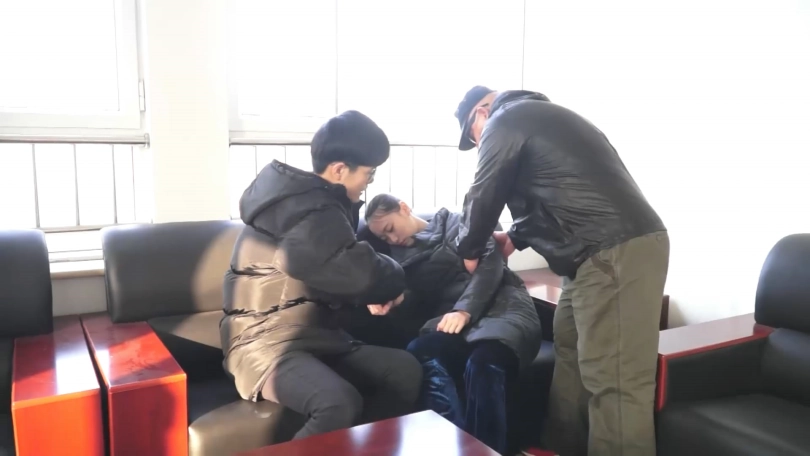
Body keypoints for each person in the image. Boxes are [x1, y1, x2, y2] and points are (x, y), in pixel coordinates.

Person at [453, 86, 670, 456]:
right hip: (590, 256)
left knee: (615, 382)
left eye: (474, 138)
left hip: (613, 251)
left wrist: (469, 249)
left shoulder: (505, 119)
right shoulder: (547, 118)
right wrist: (514, 238)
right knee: (570, 353)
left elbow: (484, 190)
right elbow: (561, 191)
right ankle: (561, 448)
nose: (478, 146)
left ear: (481, 114)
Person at [220, 111, 422, 440]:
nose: (368, 185)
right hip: (264, 345)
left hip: (315, 338)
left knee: (402, 369)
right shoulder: (304, 210)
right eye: (368, 175)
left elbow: (325, 276)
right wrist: (387, 284)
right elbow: (358, 273)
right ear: (339, 169)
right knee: (337, 403)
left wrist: (367, 296)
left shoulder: (316, 206)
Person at [364, 193, 542, 456]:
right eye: (384, 238)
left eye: (390, 228)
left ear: (403, 208)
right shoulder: (398, 261)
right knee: (421, 351)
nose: (392, 239)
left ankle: (487, 451)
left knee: (483, 364)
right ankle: (453, 446)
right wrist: (396, 301)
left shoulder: (460, 224)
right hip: (449, 319)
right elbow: (418, 301)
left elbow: (489, 268)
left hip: (502, 306)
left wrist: (464, 310)